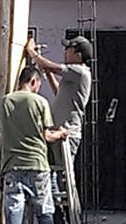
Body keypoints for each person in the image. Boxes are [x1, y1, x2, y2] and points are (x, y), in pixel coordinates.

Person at [0, 66, 68, 224]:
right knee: (44, 213)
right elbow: (46, 135)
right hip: (37, 166)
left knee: (13, 215)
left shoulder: (5, 102)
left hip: (12, 166)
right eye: (39, 84)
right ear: (34, 81)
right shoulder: (40, 102)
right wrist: (61, 134)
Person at [24, 35, 93, 166]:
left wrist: (31, 51)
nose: (65, 52)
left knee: (62, 173)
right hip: (57, 132)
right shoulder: (73, 76)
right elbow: (58, 91)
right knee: (54, 172)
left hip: (67, 132)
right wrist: (48, 72)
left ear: (78, 55)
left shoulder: (80, 71)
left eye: (69, 49)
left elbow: (52, 66)